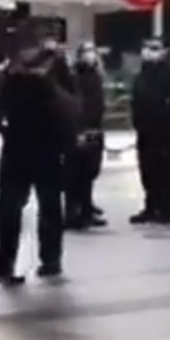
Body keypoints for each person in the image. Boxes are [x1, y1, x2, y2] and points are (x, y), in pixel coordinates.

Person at [0, 34, 79, 283]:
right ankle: (4, 262)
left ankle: (51, 260)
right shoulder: (14, 76)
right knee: (8, 209)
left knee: (49, 208)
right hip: (16, 147)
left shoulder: (57, 73)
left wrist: (47, 81)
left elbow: (73, 107)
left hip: (48, 148)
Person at [130, 39, 170, 224]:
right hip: (145, 131)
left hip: (167, 131)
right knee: (148, 170)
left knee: (167, 171)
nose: (148, 52)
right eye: (145, 48)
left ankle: (169, 207)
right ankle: (151, 206)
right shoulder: (141, 75)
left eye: (154, 49)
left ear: (165, 51)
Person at [66, 41, 107, 230]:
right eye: (86, 51)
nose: (90, 55)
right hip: (80, 129)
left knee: (90, 171)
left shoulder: (96, 75)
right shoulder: (74, 76)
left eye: (92, 51)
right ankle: (73, 212)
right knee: (76, 173)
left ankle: (86, 209)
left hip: (94, 128)